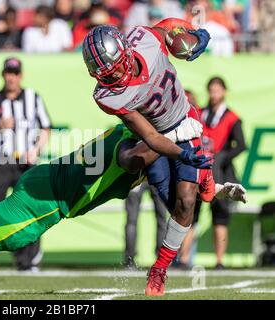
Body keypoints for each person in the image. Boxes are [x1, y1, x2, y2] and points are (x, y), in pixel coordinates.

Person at [0, 124, 247, 294]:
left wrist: (219, 190)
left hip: (41, 178)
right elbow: (133, 160)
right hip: (44, 206)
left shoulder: (137, 131)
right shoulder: (142, 150)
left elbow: (172, 185)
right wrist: (176, 142)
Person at [82, 20, 212, 296]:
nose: (113, 75)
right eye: (105, 73)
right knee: (145, 176)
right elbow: (152, 138)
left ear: (127, 50)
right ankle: (206, 177)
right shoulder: (108, 95)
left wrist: (192, 34)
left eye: (115, 65)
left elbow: (168, 27)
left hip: (184, 118)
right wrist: (181, 152)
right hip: (159, 134)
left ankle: (160, 268)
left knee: (187, 201)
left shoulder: (145, 40)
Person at [0, 57, 51, 272]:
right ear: (3, 74)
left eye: (15, 73)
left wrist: (36, 149)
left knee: (30, 212)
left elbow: (46, 128)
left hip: (25, 163)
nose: (11, 77)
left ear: (21, 76)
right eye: (8, 72)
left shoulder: (33, 98)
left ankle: (28, 261)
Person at [190, 76, 247, 269]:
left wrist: (222, 157)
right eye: (211, 90)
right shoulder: (200, 113)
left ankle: (219, 261)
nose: (214, 94)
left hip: (220, 173)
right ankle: (182, 259)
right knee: (190, 213)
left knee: (220, 216)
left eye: (217, 90)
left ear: (224, 92)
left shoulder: (232, 118)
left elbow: (241, 145)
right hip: (199, 170)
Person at [124, 181, 167, 270]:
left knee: (131, 221)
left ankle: (129, 261)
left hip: (137, 174)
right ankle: (161, 261)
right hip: (156, 174)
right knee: (162, 221)